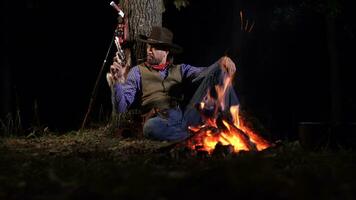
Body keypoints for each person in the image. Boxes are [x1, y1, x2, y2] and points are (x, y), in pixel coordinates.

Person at [108, 26, 239, 141]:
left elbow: (205, 73)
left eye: (154, 47)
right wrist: (117, 83)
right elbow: (121, 108)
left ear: (166, 51)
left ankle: (233, 121)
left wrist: (222, 62)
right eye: (149, 46)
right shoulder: (137, 72)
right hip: (160, 120)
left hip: (185, 116)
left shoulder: (180, 69)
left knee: (220, 72)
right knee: (149, 128)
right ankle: (192, 135)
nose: (149, 50)